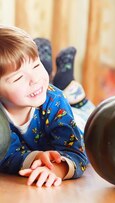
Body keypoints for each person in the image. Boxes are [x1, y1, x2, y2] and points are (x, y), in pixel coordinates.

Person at [0, 25, 94, 187]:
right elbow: (5, 155)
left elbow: (76, 152)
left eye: (37, 65)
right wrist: (36, 158)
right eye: (17, 78)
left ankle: (67, 83)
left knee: (85, 110)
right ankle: (56, 76)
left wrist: (57, 168)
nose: (35, 79)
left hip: (79, 123)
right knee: (46, 89)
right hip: (41, 100)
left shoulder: (54, 98)